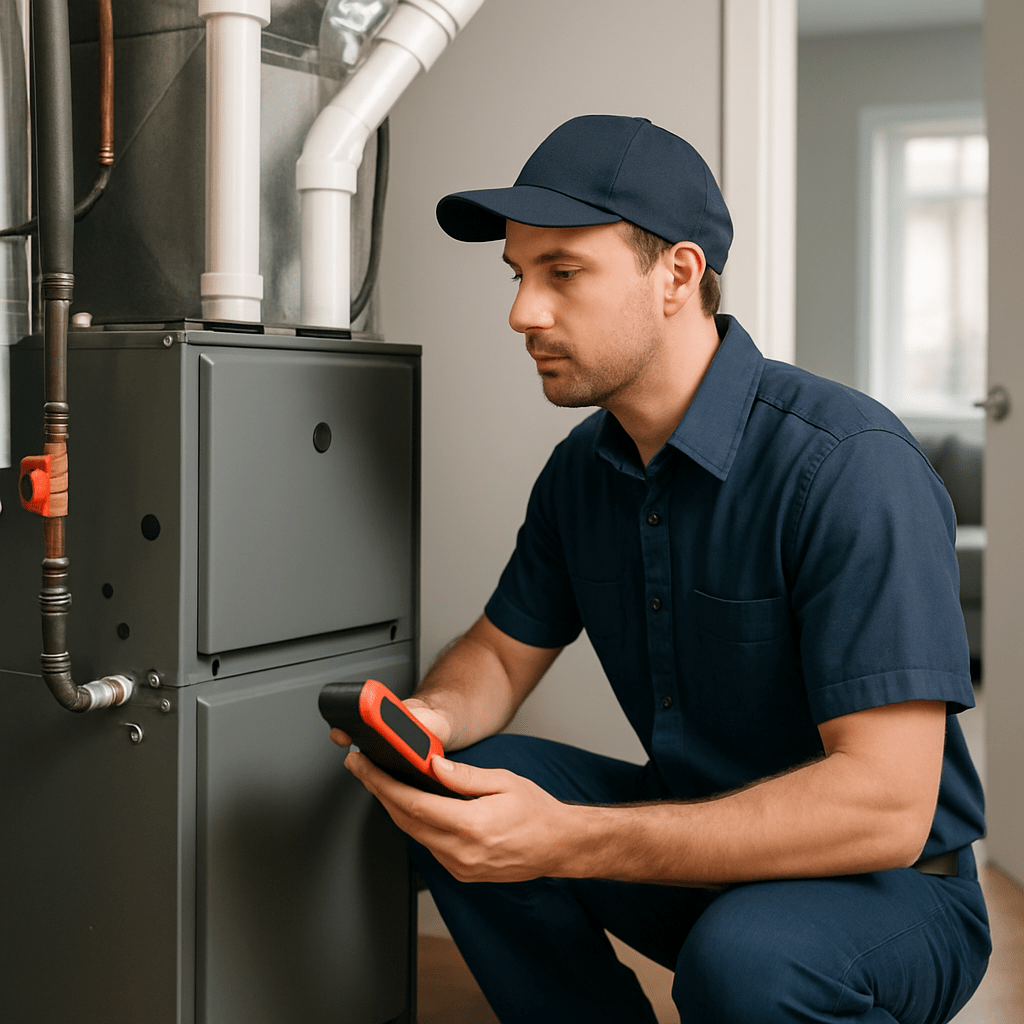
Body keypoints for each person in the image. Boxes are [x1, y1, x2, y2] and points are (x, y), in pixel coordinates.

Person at [332, 114, 990, 1023]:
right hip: (698, 846)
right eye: (520, 276)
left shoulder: (849, 466)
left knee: (748, 963)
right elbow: (498, 652)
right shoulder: (582, 470)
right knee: (447, 784)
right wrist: (427, 720)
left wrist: (567, 837)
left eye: (563, 273)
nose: (523, 311)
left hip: (889, 888)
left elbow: (884, 806)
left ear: (677, 275)